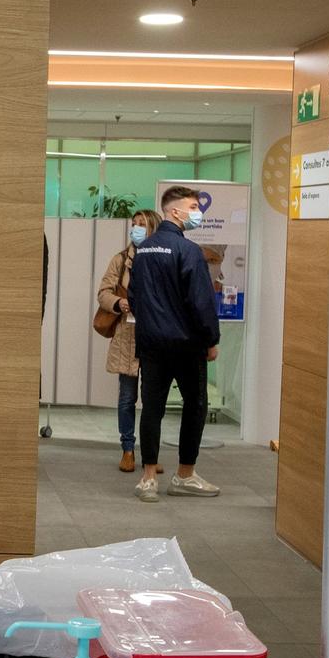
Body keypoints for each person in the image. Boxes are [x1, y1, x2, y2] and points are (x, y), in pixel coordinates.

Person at [125, 185, 221, 502]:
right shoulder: (188, 251)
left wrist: (152, 325)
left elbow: (135, 298)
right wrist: (210, 339)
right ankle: (184, 475)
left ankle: (148, 478)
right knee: (195, 407)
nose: (197, 212)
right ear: (174, 211)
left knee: (152, 408)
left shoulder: (144, 251)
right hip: (186, 344)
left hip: (151, 344)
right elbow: (201, 302)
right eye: (193, 206)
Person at [96, 209, 159, 472]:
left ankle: (150, 455)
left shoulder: (161, 259)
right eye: (134, 225)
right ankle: (128, 449)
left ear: (153, 228)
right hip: (126, 336)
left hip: (155, 335)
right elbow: (103, 293)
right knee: (127, 397)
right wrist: (118, 302)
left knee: (153, 399)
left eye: (142, 225)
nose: (136, 229)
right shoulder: (120, 260)